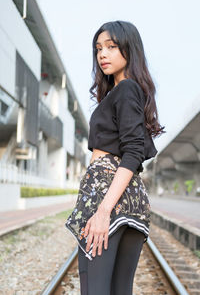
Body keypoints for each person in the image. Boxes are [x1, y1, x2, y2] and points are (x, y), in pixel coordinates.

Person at [65, 20, 165, 295]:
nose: (102, 54)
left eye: (111, 46)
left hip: (108, 193)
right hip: (131, 198)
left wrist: (103, 210)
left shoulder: (125, 89)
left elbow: (133, 152)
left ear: (129, 50)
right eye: (98, 48)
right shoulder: (127, 91)